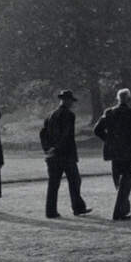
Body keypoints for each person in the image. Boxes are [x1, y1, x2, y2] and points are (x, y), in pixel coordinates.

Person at [94, 88, 131, 221]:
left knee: (119, 181)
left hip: (115, 152)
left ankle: (124, 208)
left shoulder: (109, 112)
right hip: (130, 152)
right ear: (129, 99)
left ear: (117, 99)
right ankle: (119, 212)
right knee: (126, 181)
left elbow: (97, 130)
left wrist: (108, 140)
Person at [41, 89, 93, 218]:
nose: (71, 103)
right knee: (75, 181)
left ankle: (50, 211)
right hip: (66, 154)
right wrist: (57, 148)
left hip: (52, 155)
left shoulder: (50, 115)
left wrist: (48, 148)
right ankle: (78, 208)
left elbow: (42, 134)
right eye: (70, 101)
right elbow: (67, 135)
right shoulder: (69, 115)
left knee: (53, 184)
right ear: (67, 100)